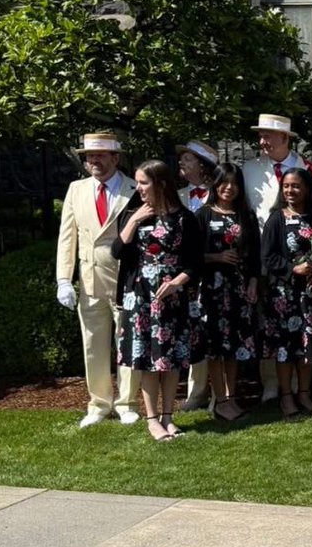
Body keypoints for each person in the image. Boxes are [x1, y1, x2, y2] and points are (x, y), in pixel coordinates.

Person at [112, 159, 202, 442]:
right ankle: (152, 419)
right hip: (140, 297)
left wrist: (176, 283)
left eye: (144, 182)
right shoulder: (133, 213)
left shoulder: (185, 218)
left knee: (171, 360)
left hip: (172, 299)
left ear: (161, 184)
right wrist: (136, 220)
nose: (138, 188)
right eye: (137, 182)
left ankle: (168, 417)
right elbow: (117, 251)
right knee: (148, 361)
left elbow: (195, 263)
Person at [55, 132, 140, 428]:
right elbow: (68, 238)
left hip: (125, 280)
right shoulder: (76, 189)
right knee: (93, 344)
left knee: (127, 342)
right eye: (90, 156)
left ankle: (127, 402)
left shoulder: (134, 189)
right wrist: (64, 279)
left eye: (101, 155)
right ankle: (99, 403)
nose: (94, 161)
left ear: (115, 158)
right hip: (90, 281)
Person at [242, 112, 312, 403]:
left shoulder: (307, 168)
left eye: (268, 135)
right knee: (272, 327)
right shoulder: (248, 169)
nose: (262, 141)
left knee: (303, 331)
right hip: (268, 255)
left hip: (303, 258)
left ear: (285, 138)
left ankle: (301, 390)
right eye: (260, 135)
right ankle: (272, 385)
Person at [261, 166, 312, 419]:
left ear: (307, 189)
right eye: (287, 186)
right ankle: (286, 397)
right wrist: (294, 268)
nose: (291, 191)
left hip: (311, 297)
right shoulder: (276, 219)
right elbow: (268, 258)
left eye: (296, 186)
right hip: (285, 296)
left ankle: (304, 393)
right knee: (286, 348)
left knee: (308, 346)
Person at [194, 161, 260, 423]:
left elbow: (255, 254)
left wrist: (254, 282)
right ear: (215, 183)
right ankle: (219, 400)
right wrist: (217, 257)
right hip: (212, 290)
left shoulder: (247, 216)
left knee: (234, 347)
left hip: (239, 290)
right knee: (215, 347)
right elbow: (191, 255)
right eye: (224, 182)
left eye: (234, 183)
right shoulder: (203, 215)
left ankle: (231, 397)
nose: (229, 188)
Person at [176, 139, 219, 412]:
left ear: (203, 167)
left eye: (188, 159)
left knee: (215, 330)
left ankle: (220, 392)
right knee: (193, 331)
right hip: (187, 273)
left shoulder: (219, 194)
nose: (181, 163)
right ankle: (197, 391)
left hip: (216, 272)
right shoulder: (177, 196)